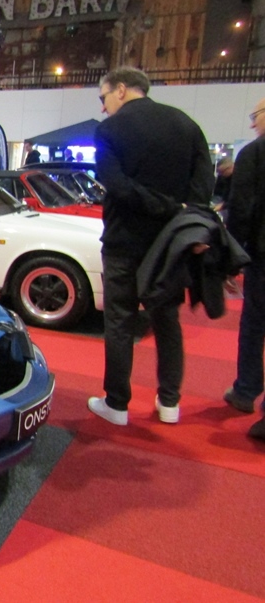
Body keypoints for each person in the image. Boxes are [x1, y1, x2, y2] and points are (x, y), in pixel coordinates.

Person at [88, 66, 213, 426]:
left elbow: (116, 186)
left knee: (120, 322)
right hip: (170, 244)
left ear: (121, 89)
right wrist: (180, 214)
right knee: (167, 321)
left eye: (104, 97)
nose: (103, 106)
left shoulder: (109, 130)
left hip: (123, 241)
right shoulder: (186, 124)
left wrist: (165, 206)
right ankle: (170, 402)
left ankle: (117, 405)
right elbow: (203, 184)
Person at [223, 98, 265, 441]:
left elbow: (241, 210)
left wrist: (231, 258)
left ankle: (246, 390)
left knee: (253, 326)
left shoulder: (255, 153)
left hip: (263, 257)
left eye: (256, 116)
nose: (252, 123)